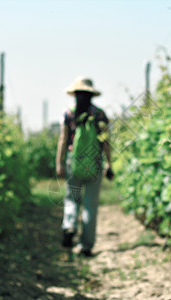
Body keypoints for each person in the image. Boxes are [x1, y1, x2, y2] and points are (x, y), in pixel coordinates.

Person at [56, 76, 113, 257]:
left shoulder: (68, 113)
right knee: (90, 204)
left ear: (75, 94)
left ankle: (69, 225)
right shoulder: (100, 114)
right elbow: (105, 142)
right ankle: (85, 246)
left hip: (74, 161)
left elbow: (63, 140)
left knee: (72, 198)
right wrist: (109, 163)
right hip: (94, 163)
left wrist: (59, 163)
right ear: (91, 95)